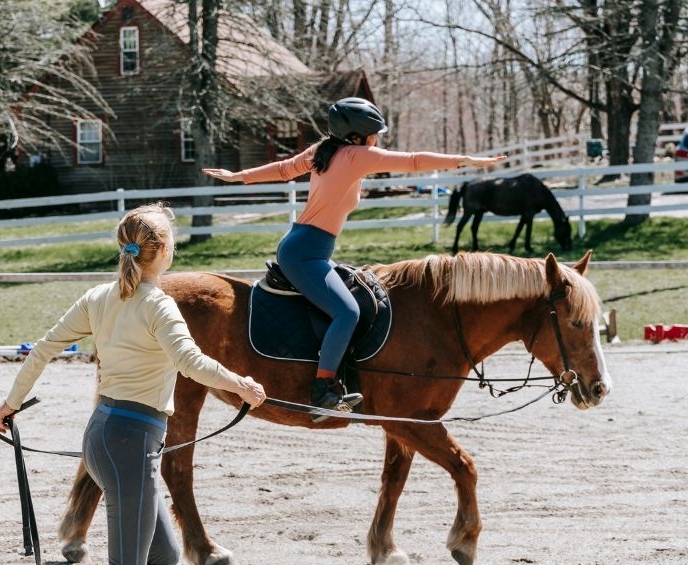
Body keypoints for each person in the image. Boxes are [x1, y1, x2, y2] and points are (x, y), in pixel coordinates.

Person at [0, 203, 266, 565]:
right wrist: (242, 384)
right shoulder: (158, 305)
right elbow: (191, 363)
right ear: (164, 250)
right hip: (129, 444)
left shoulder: (98, 298)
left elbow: (44, 348)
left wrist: (9, 404)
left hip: (104, 437)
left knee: (166, 556)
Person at [203, 97, 506, 411]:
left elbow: (283, 170)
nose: (378, 139)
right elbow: (414, 160)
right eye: (375, 133)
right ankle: (321, 389)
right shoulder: (356, 156)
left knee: (352, 295)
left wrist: (240, 176)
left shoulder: (324, 150)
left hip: (306, 247)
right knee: (347, 312)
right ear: (359, 136)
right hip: (305, 253)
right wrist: (466, 160)